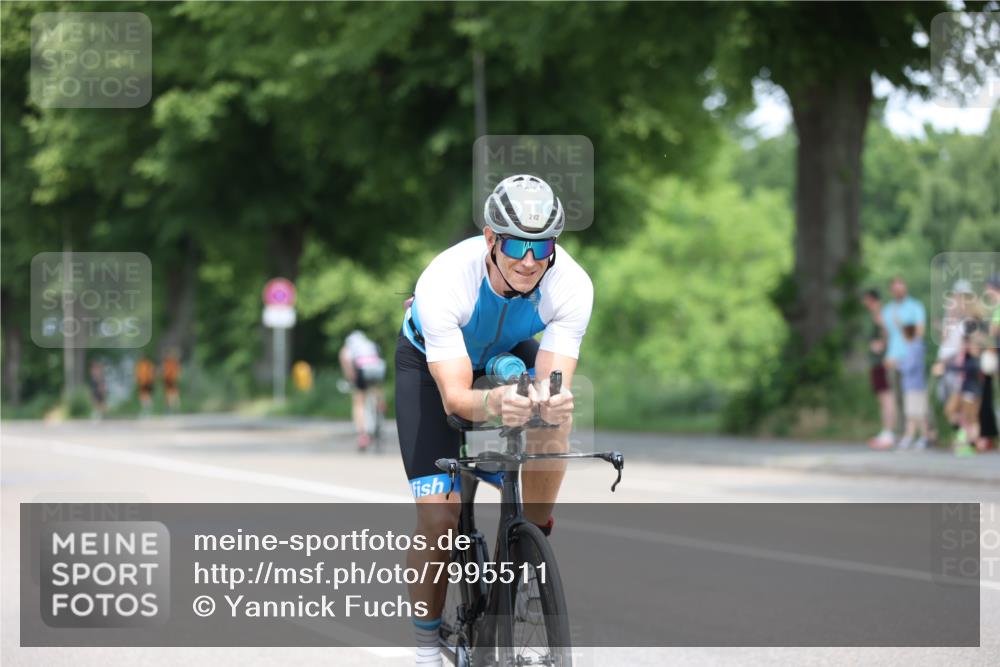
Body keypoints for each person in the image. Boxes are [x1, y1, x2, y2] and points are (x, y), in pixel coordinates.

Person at [396, 174, 591, 667]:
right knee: (440, 520)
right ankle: (426, 650)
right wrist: (496, 404)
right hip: (433, 363)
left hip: (507, 351)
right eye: (516, 245)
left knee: (554, 417)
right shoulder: (445, 279)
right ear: (490, 238)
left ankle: (531, 542)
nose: (529, 260)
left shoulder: (572, 284)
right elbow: (457, 397)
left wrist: (554, 402)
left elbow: (554, 381)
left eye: (542, 245)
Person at [881, 277, 926, 433]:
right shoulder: (887, 310)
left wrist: (903, 327)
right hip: (892, 358)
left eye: (901, 288)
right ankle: (904, 433)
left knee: (917, 396)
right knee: (898, 399)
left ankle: (928, 433)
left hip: (910, 357)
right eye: (895, 289)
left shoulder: (915, 307)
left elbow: (920, 332)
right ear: (891, 291)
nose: (899, 291)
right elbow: (887, 336)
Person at [339, 330, 386, 450]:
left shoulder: (348, 347)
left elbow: (346, 361)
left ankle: (362, 435)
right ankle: (380, 405)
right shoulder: (370, 344)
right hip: (377, 369)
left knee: (358, 402)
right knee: (375, 388)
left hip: (362, 370)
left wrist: (351, 377)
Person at [862, 289, 895, 449]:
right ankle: (886, 431)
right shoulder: (875, 316)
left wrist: (882, 345)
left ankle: (889, 432)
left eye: (868, 301)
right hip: (877, 363)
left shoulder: (881, 315)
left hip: (883, 362)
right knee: (882, 398)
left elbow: (887, 333)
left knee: (887, 398)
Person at [945, 332, 986, 457]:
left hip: (972, 392)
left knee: (971, 418)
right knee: (955, 413)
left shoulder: (976, 360)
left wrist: (950, 366)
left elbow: (967, 369)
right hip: (964, 390)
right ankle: (965, 439)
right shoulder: (967, 357)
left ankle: (972, 444)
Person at [895, 324, 928, 450]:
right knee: (911, 413)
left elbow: (910, 366)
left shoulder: (914, 347)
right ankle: (909, 437)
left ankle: (924, 437)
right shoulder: (915, 346)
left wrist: (899, 365)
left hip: (915, 385)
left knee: (918, 413)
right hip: (912, 385)